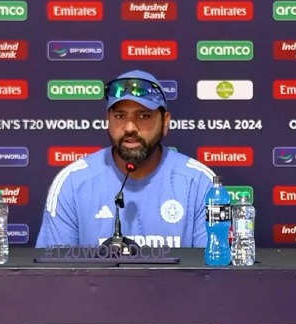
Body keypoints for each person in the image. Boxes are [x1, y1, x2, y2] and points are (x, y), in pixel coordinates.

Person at [35, 70, 216, 248]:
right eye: (120, 116)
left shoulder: (200, 183)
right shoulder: (73, 183)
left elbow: (213, 265)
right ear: (108, 119)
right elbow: (56, 266)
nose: (130, 127)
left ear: (165, 121)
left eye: (143, 116)